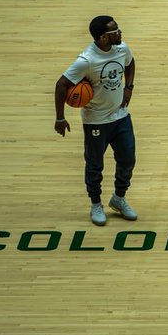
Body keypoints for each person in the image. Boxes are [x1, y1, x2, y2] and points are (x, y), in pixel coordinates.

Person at [54, 16, 138, 227]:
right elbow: (61, 85)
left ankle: (118, 198)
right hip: (96, 121)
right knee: (95, 165)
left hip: (121, 116)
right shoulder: (86, 60)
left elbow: (130, 63)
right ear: (103, 37)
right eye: (115, 31)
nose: (120, 33)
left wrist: (129, 87)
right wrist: (60, 118)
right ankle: (95, 204)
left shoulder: (122, 48)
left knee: (128, 159)